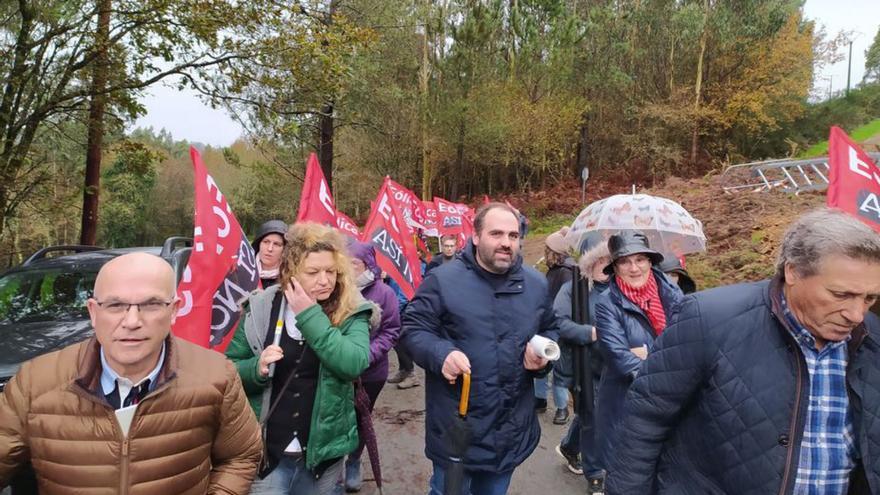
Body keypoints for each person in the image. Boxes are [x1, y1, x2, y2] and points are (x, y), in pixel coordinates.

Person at [606, 208, 880, 494]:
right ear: (794, 271)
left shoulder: (872, 337)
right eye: (841, 295)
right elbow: (644, 422)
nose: (857, 314)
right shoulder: (709, 318)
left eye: (870, 298)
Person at [0, 253, 262, 493]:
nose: (132, 321)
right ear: (93, 311)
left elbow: (241, 456)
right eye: (115, 305)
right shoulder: (35, 382)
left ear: (174, 310)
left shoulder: (216, 376)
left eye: (151, 304)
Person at [402, 202, 558, 495]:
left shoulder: (536, 284)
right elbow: (413, 328)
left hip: (511, 428)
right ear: (475, 236)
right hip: (458, 426)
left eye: (513, 236)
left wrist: (542, 357)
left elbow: (551, 328)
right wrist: (441, 354)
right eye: (496, 234)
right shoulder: (443, 281)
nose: (506, 243)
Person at [225, 223, 373, 495]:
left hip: (322, 458)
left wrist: (309, 315)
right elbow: (228, 369)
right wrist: (255, 369)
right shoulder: (261, 307)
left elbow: (354, 362)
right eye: (313, 272)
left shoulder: (352, 310)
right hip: (269, 454)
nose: (325, 280)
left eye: (331, 271)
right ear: (291, 272)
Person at [593, 231, 683, 488]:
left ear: (651, 261)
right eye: (625, 261)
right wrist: (665, 360)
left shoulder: (671, 291)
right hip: (625, 402)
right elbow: (620, 358)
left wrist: (648, 352)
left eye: (641, 259)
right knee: (627, 477)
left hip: (673, 402)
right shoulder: (607, 302)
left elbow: (688, 341)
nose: (634, 268)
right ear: (615, 267)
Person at [342, 241, 402, 492]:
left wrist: (365, 355)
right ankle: (332, 464)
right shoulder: (336, 288)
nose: (348, 267)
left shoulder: (383, 293)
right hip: (338, 371)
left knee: (360, 419)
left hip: (370, 373)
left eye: (353, 263)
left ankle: (354, 461)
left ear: (367, 265)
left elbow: (391, 331)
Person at [553, 242, 610, 493]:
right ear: (590, 262)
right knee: (593, 417)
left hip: (612, 367)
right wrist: (592, 333)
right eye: (601, 260)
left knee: (589, 414)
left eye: (611, 260)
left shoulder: (620, 289)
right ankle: (595, 474)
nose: (606, 266)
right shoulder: (573, 289)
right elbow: (559, 323)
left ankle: (569, 446)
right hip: (583, 367)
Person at [535, 226, 575, 424]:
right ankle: (540, 399)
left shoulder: (566, 273)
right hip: (545, 323)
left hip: (559, 326)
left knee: (558, 368)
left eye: (547, 249)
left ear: (555, 252)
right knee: (540, 363)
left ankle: (562, 408)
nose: (544, 252)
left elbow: (564, 304)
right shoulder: (553, 270)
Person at [253, 219, 288, 287]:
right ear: (259, 244)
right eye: (266, 242)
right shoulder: (244, 270)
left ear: (284, 249)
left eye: (277, 244)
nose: (270, 249)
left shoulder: (289, 279)